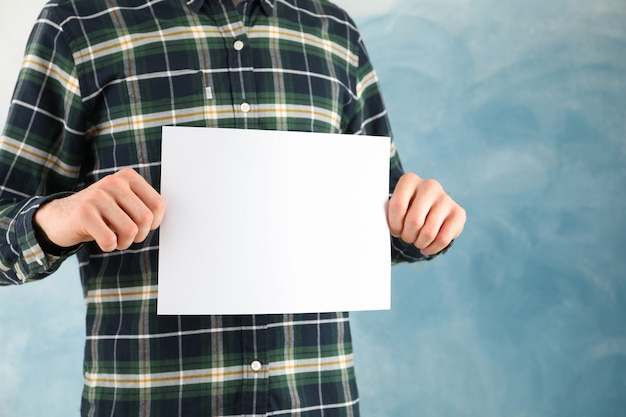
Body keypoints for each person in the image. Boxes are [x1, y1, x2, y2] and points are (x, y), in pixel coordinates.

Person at [0, 0, 465, 415]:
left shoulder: (335, 33)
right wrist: (58, 218)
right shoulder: (78, 23)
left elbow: (385, 224)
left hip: (317, 401)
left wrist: (425, 222)